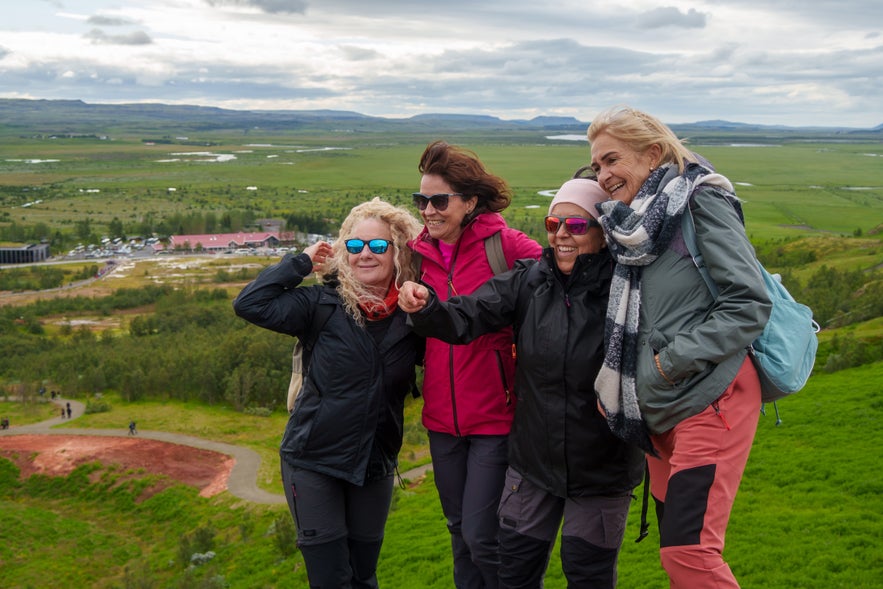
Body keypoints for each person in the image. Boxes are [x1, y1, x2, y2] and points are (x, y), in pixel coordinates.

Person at [399, 178, 645, 588]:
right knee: (514, 571)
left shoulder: (626, 292)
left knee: (588, 573)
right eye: (553, 225)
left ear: (604, 232)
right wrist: (428, 308)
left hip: (602, 468)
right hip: (533, 465)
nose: (562, 235)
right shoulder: (530, 281)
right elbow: (468, 314)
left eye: (577, 226)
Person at [586, 105, 772, 588]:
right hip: (658, 411)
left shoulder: (698, 203)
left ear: (652, 153)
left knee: (689, 553)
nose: (603, 176)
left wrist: (662, 367)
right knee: (677, 548)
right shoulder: (633, 226)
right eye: (597, 166)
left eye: (611, 160)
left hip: (709, 397)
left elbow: (748, 303)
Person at [233, 197, 424, 588]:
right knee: (332, 579)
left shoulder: (412, 316)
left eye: (377, 245)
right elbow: (250, 303)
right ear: (343, 252)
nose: (365, 254)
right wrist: (300, 262)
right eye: (354, 246)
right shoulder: (320, 305)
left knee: (364, 575)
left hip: (374, 465)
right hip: (313, 461)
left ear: (397, 252)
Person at [409, 140, 543, 588]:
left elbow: (565, 283)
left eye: (439, 200)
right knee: (458, 534)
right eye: (421, 200)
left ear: (470, 202)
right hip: (441, 420)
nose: (428, 211)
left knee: (483, 537)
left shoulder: (507, 246)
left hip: (494, 416)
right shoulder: (417, 254)